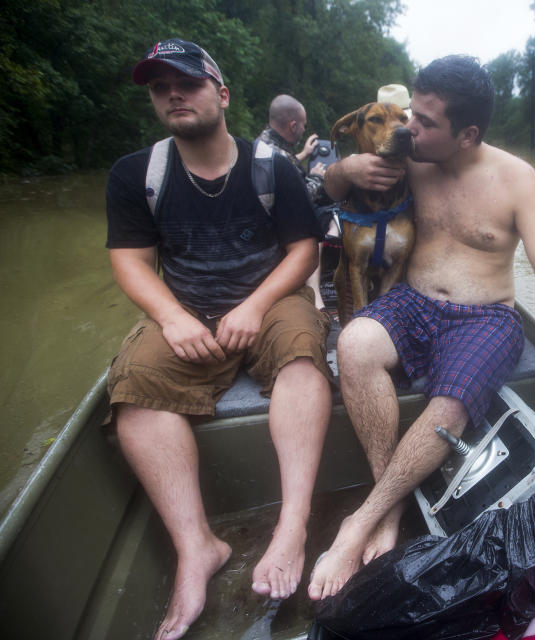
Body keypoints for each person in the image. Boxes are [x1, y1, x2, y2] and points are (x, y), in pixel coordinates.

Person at [308, 55, 535, 600]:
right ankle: (392, 504)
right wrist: (342, 171)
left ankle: (362, 520)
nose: (409, 129)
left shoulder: (518, 180)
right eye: (410, 115)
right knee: (353, 344)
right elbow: (325, 191)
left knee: (450, 403)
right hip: (411, 301)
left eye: (425, 122)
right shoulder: (408, 158)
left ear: (468, 133)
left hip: (487, 318)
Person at [105, 39, 334, 639]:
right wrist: (172, 317)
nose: (173, 93)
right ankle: (196, 547)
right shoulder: (137, 174)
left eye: (188, 82)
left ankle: (292, 526)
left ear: (222, 94)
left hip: (270, 301)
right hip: (187, 311)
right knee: (132, 386)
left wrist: (256, 305)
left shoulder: (272, 166)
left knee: (304, 358)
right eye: (160, 87)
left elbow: (303, 250)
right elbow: (130, 262)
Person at [256, 94, 340, 308]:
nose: (304, 130)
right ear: (293, 125)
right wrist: (317, 177)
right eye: (302, 125)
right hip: (280, 225)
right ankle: (317, 289)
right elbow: (300, 199)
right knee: (331, 213)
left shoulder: (262, 145)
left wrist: (304, 153)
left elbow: (283, 168)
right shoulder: (279, 156)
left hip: (269, 219)